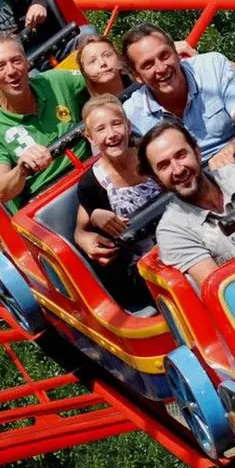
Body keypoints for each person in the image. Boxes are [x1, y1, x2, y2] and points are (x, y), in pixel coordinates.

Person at [140, 119, 235, 290]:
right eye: (164, 165)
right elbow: (222, 291)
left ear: (197, 153)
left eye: (181, 155)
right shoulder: (172, 231)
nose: (177, 169)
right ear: (156, 179)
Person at [121, 23, 235, 171]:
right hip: (194, 184)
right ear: (136, 76)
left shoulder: (212, 67)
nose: (161, 68)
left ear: (176, 53)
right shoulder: (132, 115)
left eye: (164, 56)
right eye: (148, 65)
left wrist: (231, 149)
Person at [0, 30, 89, 208]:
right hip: (44, 201)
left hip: (91, 173)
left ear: (27, 61)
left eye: (16, 60)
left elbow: (103, 78)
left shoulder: (55, 81)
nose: (11, 71)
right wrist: (21, 169)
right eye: (0, 66)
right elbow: (2, 190)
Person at [73, 94, 161, 310]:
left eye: (116, 124)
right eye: (101, 129)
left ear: (128, 126)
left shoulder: (152, 154)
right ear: (90, 137)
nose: (111, 134)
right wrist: (93, 224)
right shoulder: (92, 184)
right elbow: (80, 230)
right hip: (145, 266)